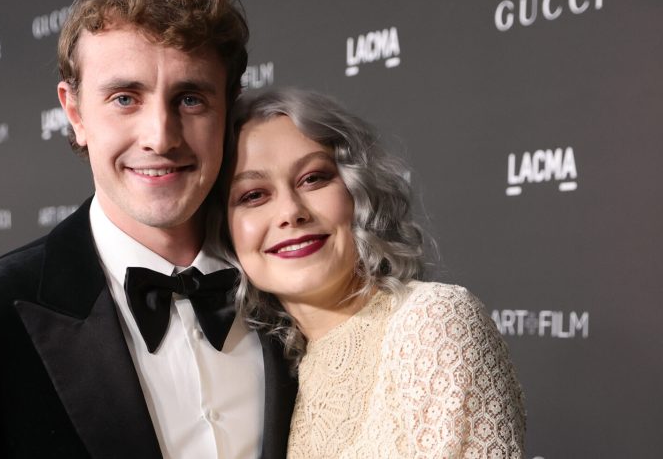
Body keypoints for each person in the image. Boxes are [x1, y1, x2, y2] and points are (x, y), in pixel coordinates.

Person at [0, 0, 296, 459]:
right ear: (75, 112)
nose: (160, 136)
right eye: (126, 97)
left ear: (228, 110)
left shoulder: (289, 288)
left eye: (190, 98)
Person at [215, 88, 526, 458]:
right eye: (253, 195)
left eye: (313, 178)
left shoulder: (433, 322)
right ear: (224, 231)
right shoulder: (272, 375)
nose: (290, 212)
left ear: (356, 192)